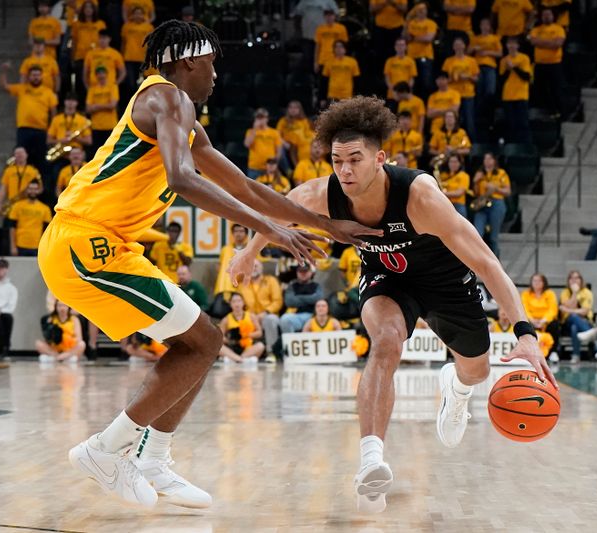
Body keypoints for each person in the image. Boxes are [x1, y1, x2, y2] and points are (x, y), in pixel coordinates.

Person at [38, 20, 378, 510]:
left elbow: (246, 187)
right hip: (83, 241)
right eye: (212, 64)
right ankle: (105, 449)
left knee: (202, 342)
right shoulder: (166, 97)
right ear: (188, 63)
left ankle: (153, 458)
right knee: (201, 341)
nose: (217, 75)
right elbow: (181, 179)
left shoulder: (181, 116)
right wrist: (272, 230)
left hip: (106, 244)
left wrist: (324, 225)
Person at [228, 95, 555, 513]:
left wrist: (526, 333)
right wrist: (250, 252)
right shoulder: (323, 194)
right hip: (387, 279)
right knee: (385, 342)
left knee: (477, 370)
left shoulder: (420, 197)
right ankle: (371, 461)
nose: (344, 170)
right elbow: (280, 210)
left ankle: (455, 388)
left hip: (445, 280)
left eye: (355, 160)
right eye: (336, 160)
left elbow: (488, 263)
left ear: (380, 158)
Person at [0, 64, 58, 173]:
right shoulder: (22, 88)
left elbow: (53, 113)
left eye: (38, 75)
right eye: (33, 75)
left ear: (42, 76)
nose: (35, 77)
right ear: (28, 77)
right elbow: (5, 86)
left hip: (41, 131)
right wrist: (3, 72)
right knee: (21, 157)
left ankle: (42, 187)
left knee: (41, 160)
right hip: (23, 130)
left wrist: (51, 130)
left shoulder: (48, 92)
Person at [239, 259, 283, 358]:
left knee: (269, 320)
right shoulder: (242, 285)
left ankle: (271, 352)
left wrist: (265, 312)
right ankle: (246, 353)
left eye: (256, 266)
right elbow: (240, 304)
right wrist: (249, 316)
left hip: (268, 315)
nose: (253, 268)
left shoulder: (271, 281)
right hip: (250, 318)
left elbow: (278, 301)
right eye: (251, 266)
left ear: (261, 268)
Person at [528, 8, 565, 118]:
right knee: (540, 89)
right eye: (544, 14)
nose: (546, 16)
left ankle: (559, 112)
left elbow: (557, 44)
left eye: (549, 14)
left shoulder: (559, 29)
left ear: (553, 16)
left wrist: (541, 43)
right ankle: (547, 110)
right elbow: (533, 41)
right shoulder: (536, 29)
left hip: (555, 64)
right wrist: (550, 42)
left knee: (556, 88)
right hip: (540, 64)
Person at [472, 152, 510, 257]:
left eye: (489, 159)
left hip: (496, 203)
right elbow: (475, 193)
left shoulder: (501, 173)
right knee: (477, 234)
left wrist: (495, 188)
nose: (487, 161)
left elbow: (507, 191)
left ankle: (495, 263)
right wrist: (475, 181)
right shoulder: (480, 174)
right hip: (482, 203)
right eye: (485, 159)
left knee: (493, 237)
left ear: (494, 161)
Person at [441, 36, 479, 138]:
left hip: (468, 94)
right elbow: (444, 80)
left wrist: (467, 76)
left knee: (469, 120)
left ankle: (470, 143)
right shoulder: (448, 61)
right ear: (453, 47)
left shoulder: (472, 61)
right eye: (456, 44)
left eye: (460, 44)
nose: (458, 46)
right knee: (455, 120)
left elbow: (476, 79)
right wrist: (453, 78)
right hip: (453, 95)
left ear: (464, 46)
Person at [8, 179, 53, 257]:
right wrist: (13, 246)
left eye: (35, 189)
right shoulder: (17, 206)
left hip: (37, 246)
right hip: (20, 245)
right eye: (31, 189)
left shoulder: (45, 209)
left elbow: (48, 231)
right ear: (27, 190)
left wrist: (46, 248)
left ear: (38, 190)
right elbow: (12, 227)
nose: (33, 191)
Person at [499, 36, 531, 143]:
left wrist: (514, 67)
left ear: (518, 45)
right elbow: (501, 79)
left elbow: (526, 77)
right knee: (510, 124)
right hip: (508, 96)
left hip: (521, 95)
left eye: (514, 43)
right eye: (509, 43)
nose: (511, 46)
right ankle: (511, 146)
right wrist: (508, 69)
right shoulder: (504, 60)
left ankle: (524, 145)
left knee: (523, 123)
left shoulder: (524, 58)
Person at [218, 292, 264, 363]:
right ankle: (241, 360)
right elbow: (220, 336)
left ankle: (234, 359)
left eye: (239, 301)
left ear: (243, 303)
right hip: (232, 347)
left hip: (247, 347)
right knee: (218, 347)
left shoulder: (251, 316)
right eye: (234, 301)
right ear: (230, 304)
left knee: (260, 346)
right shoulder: (226, 319)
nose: (237, 304)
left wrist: (246, 334)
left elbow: (259, 332)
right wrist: (229, 340)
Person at [521, 273, 559, 358]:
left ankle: (553, 352)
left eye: (539, 280)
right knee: (524, 324)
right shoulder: (525, 294)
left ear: (544, 282)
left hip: (545, 321)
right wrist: (531, 319)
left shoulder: (550, 294)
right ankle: (529, 352)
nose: (536, 282)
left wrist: (544, 320)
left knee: (554, 324)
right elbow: (524, 308)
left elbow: (553, 309)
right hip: (531, 320)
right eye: (534, 280)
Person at [0, 147, 42, 217]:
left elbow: (40, 188)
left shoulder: (33, 171)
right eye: (17, 153)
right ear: (14, 156)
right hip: (12, 203)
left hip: (27, 205)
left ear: (26, 155)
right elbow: (3, 189)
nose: (19, 155)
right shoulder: (8, 170)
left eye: (22, 153)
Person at [559, 270, 594, 364]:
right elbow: (572, 306)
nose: (574, 280)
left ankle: (576, 355)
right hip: (567, 322)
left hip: (585, 321)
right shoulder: (565, 292)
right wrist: (574, 293)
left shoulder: (587, 292)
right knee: (573, 317)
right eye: (571, 278)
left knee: (575, 327)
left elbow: (585, 311)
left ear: (581, 280)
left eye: (576, 278)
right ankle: (590, 334)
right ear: (568, 280)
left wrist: (568, 310)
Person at [120, 7, 154, 101]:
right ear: (132, 15)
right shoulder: (126, 26)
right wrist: (122, 56)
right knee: (130, 84)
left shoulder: (149, 27)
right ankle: (131, 103)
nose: (138, 15)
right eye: (136, 13)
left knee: (144, 84)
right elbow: (123, 42)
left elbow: (152, 43)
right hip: (129, 58)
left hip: (143, 59)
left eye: (140, 13)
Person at [404, 3, 437, 96]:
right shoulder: (410, 23)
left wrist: (413, 37)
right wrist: (407, 21)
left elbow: (428, 39)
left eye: (423, 9)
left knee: (426, 84)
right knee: (412, 84)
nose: (421, 11)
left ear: (427, 11)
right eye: (419, 9)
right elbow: (405, 37)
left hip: (425, 57)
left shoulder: (431, 23)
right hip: (411, 57)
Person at [280, 263, 323, 333]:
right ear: (297, 273)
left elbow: (318, 299)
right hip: (296, 316)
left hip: (313, 315)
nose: (303, 273)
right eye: (300, 271)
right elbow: (289, 302)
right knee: (284, 319)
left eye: (305, 271)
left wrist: (298, 297)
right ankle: (290, 342)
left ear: (310, 272)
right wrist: (310, 299)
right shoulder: (292, 286)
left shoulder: (316, 286)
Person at [86, 66, 120, 155]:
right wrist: (105, 106)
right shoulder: (92, 89)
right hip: (96, 126)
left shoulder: (112, 86)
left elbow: (112, 105)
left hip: (110, 125)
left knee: (111, 152)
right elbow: (88, 108)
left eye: (102, 73)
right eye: (98, 73)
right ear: (96, 76)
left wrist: (96, 106)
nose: (101, 75)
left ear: (106, 74)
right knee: (97, 153)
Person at [245, 108, 283, 179]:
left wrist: (274, 164)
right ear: (255, 119)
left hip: (269, 169)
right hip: (254, 168)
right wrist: (254, 129)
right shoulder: (251, 131)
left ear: (267, 119)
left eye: (262, 117)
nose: (260, 120)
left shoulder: (274, 133)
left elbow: (279, 150)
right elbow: (247, 144)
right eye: (258, 117)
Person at [214, 224, 250, 296]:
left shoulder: (250, 249)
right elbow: (219, 266)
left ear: (246, 234)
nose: (238, 233)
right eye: (236, 231)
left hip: (245, 288)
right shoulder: (225, 249)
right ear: (232, 233)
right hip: (225, 287)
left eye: (241, 231)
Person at [314, 8, 348, 74]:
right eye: (327, 16)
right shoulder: (320, 29)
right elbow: (317, 46)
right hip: (323, 60)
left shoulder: (341, 28)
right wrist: (316, 62)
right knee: (323, 83)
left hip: (337, 60)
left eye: (331, 15)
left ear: (334, 16)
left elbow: (344, 46)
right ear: (324, 17)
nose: (329, 18)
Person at [438, 153, 470, 218]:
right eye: (451, 162)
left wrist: (442, 193)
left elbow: (459, 193)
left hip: (458, 206)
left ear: (460, 163)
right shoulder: (443, 175)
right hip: (444, 205)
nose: (453, 164)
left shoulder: (464, 175)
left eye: (455, 162)